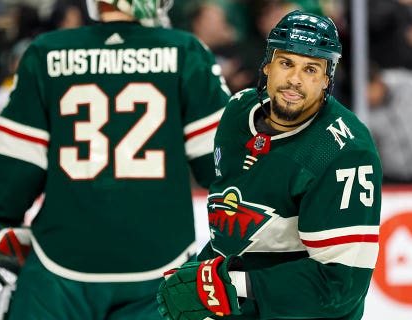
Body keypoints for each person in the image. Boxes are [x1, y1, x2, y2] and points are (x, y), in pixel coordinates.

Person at [0, 0, 231, 319]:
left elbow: (12, 169)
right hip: (161, 259)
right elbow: (223, 166)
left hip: (61, 262)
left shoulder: (48, 53)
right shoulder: (185, 51)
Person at [158, 10, 382, 320]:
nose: (294, 79)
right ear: (267, 64)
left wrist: (229, 284)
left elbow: (341, 285)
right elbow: (232, 223)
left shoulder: (346, 152)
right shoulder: (238, 112)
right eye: (286, 63)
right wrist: (200, 275)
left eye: (311, 69)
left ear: (327, 79)